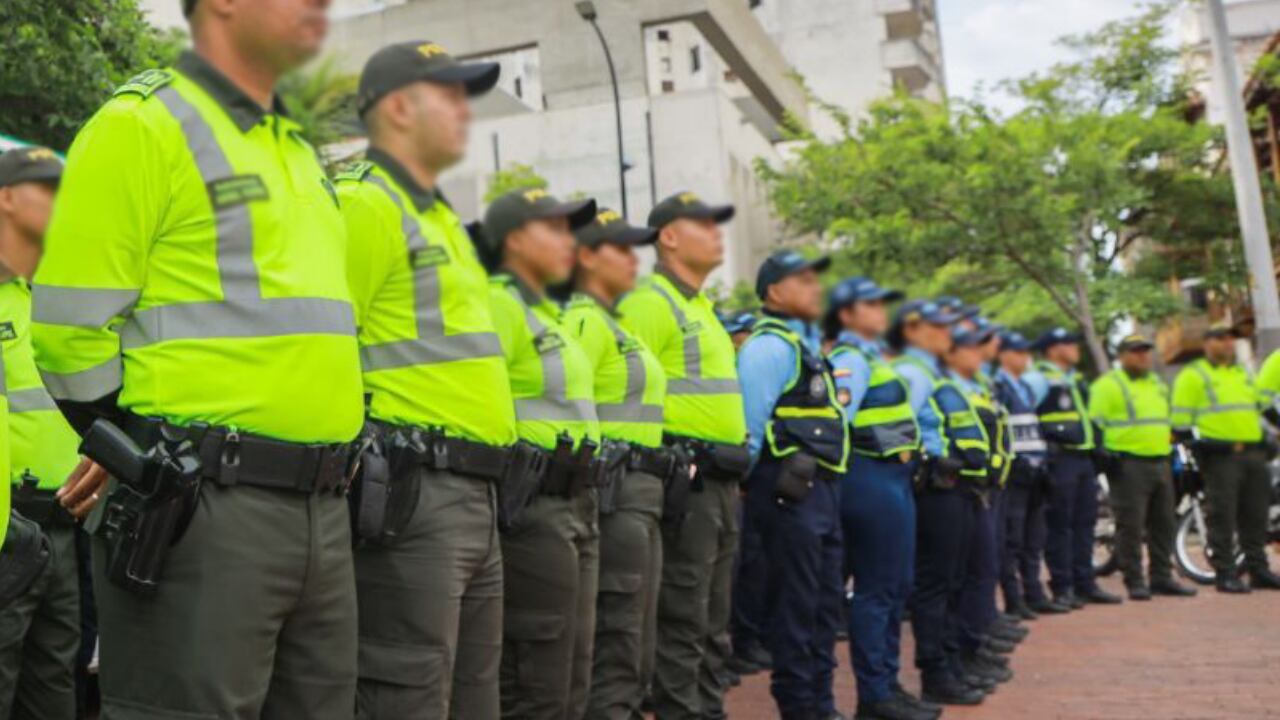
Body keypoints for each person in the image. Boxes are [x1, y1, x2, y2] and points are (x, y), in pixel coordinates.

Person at [30, 0, 367, 715]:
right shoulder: (141, 125)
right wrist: (138, 454)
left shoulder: (299, 153)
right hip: (201, 512)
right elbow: (66, 329)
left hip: (325, 511)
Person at [334, 41, 510, 719]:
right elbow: (324, 342)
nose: (466, 112)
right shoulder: (366, 203)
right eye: (450, 95)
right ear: (398, 108)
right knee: (405, 694)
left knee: (472, 696)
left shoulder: (438, 219)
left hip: (477, 495)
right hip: (414, 494)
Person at [618, 191, 748, 720]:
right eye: (703, 224)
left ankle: (707, 709)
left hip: (721, 480)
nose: (717, 233)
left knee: (715, 617)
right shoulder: (650, 303)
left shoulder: (702, 307)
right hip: (686, 481)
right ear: (668, 236)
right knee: (683, 613)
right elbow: (626, 393)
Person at [479, 187, 602, 718]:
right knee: (538, 674)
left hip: (579, 502)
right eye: (552, 228)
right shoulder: (497, 305)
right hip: (534, 508)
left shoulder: (548, 315)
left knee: (576, 667)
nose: (567, 240)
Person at [561, 208, 671, 719]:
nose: (633, 259)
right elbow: (565, 406)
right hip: (614, 490)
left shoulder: (614, 321)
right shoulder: (583, 319)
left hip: (641, 488)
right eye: (619, 249)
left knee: (637, 628)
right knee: (617, 627)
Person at [0, 145, 93, 719]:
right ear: (6, 199)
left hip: (67, 530)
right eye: (47, 187)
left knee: (56, 688)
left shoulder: (66, 295)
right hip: (9, 528)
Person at [737, 251, 847, 720]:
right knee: (795, 608)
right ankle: (800, 708)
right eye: (803, 280)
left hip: (819, 493)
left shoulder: (806, 349)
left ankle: (821, 704)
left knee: (824, 606)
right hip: (787, 495)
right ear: (774, 291)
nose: (815, 288)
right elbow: (748, 428)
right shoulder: (768, 348)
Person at [825, 278, 939, 720]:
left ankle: (887, 684)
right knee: (876, 590)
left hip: (892, 478)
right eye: (870, 305)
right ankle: (875, 696)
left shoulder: (873, 356)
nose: (880, 312)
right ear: (847, 313)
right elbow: (837, 420)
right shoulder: (850, 357)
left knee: (895, 586)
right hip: (868, 476)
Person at [888, 301, 987, 707]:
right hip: (935, 488)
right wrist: (924, 465)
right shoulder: (912, 372)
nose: (949, 334)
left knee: (952, 581)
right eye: (939, 327)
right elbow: (897, 428)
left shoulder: (931, 371)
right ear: (913, 330)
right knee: (936, 585)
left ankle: (949, 664)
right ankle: (936, 671)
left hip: (953, 486)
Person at [1171, 323, 1280, 593]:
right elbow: (1180, 423)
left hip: (1253, 453)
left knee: (1255, 514)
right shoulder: (1194, 375)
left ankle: (1258, 569)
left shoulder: (1242, 373)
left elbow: (1261, 407)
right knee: (1223, 515)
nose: (1227, 343)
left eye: (1231, 339)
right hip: (1221, 456)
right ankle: (1226, 572)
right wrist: (1197, 451)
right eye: (1220, 338)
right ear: (1207, 343)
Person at [1089, 334, 1196, 601]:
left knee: (1164, 524)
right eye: (1135, 351)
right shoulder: (1108, 385)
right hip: (1128, 465)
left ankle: (1161, 576)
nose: (1142, 356)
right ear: (1122, 356)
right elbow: (1094, 425)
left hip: (1161, 461)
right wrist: (1104, 457)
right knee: (1131, 526)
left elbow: (1166, 421)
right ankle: (1134, 580)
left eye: (1145, 351)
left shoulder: (1157, 384)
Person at [1023, 328, 1122, 608]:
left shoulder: (1074, 379)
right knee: (1060, 525)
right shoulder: (1038, 378)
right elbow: (1022, 414)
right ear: (1052, 350)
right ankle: (1063, 586)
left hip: (1082, 459)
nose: (1075, 348)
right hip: (1059, 459)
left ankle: (1085, 583)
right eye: (1068, 343)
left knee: (1084, 523)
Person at [946, 325, 1020, 687]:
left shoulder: (979, 385)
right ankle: (965, 651)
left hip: (988, 488)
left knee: (982, 567)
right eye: (972, 346)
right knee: (967, 573)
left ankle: (975, 643)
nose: (981, 351)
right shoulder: (950, 387)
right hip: (966, 489)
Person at [991, 332, 1063, 618]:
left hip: (1035, 470)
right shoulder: (999, 387)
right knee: (1013, 538)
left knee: (1034, 537)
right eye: (1018, 352)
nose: (1025, 358)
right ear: (1003, 354)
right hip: (1016, 470)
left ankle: (1033, 592)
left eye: (1026, 352)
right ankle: (1013, 598)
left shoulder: (1023, 387)